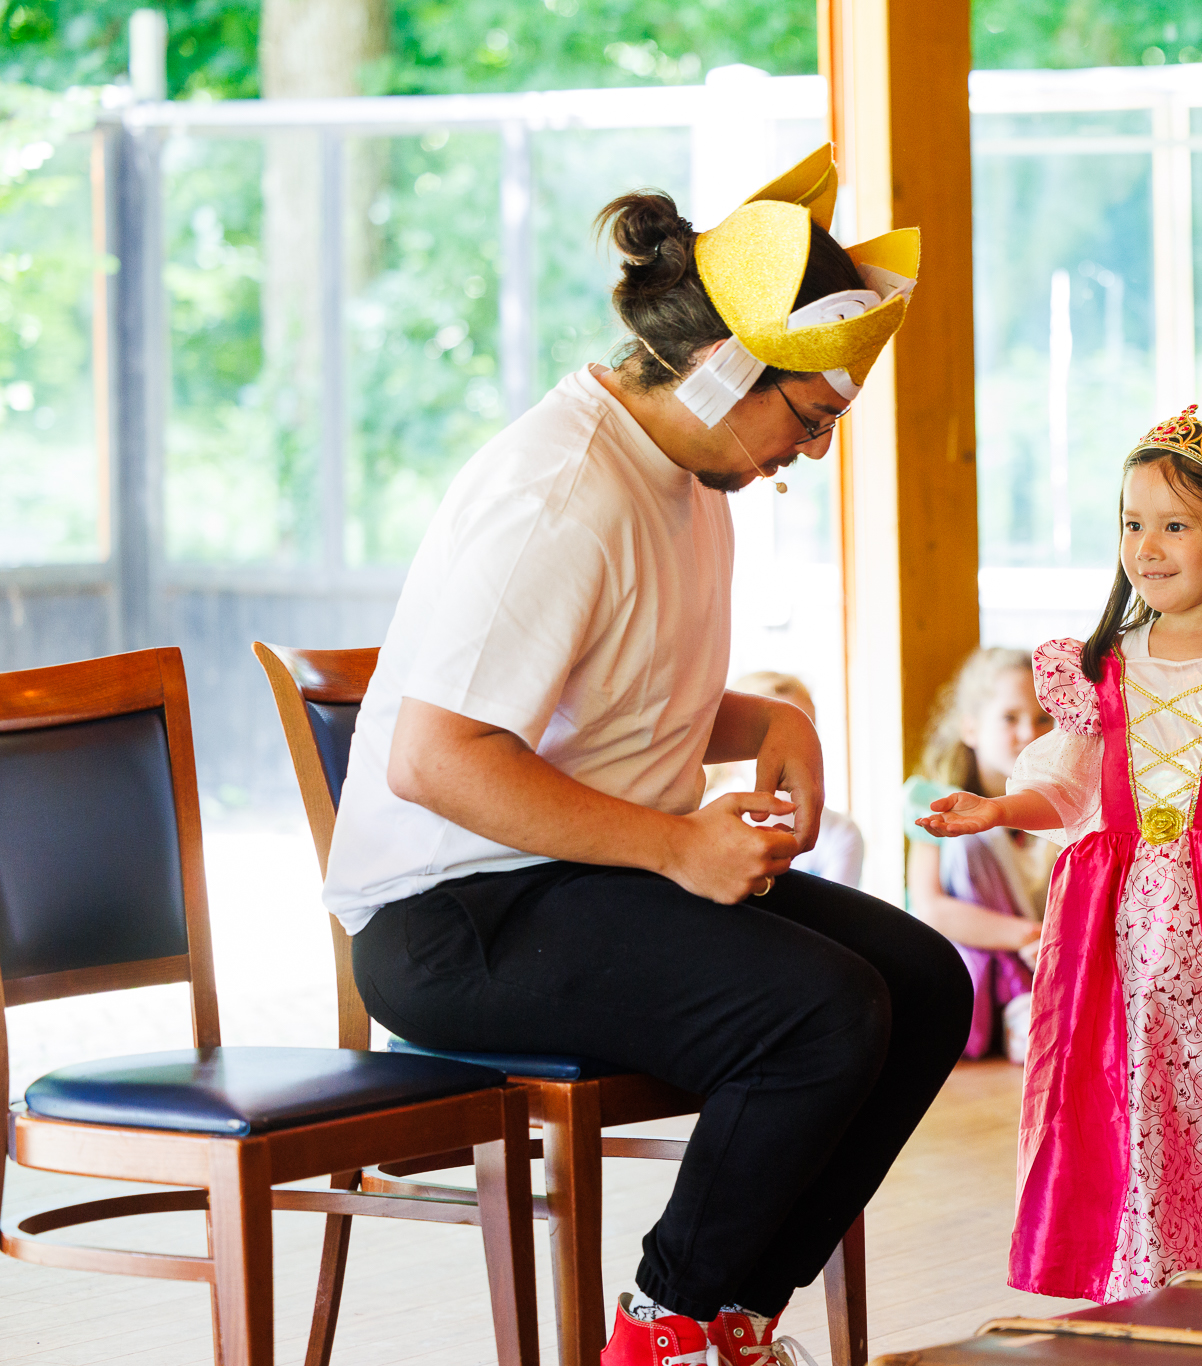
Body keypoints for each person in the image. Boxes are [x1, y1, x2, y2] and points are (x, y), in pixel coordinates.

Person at [319, 147, 971, 1366]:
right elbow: (437, 759)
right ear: (727, 368)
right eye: (809, 418)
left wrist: (772, 722)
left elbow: (618, 687)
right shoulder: (557, 493)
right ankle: (662, 1330)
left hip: (575, 883)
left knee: (926, 984)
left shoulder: (686, 472)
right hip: (454, 915)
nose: (814, 454)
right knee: (815, 1014)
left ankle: (733, 1319)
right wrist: (676, 844)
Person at [917, 408, 1202, 1301]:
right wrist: (993, 809)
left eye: (1176, 525)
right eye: (1134, 524)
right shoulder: (1100, 666)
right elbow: (1069, 790)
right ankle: (1144, 1266)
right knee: (1131, 1089)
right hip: (1120, 925)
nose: (1149, 546)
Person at [903, 647, 1056, 1062]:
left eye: (1043, 719)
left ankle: (1040, 1008)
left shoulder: (1066, 804)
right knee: (973, 839)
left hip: (1050, 957)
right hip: (979, 957)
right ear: (970, 729)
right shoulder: (934, 802)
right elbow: (930, 907)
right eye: (1009, 718)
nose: (1028, 733)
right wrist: (1028, 935)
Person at [718, 670, 865, 887]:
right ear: (730, 758)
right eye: (766, 741)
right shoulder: (701, 817)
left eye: (806, 740)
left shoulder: (839, 833)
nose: (791, 757)